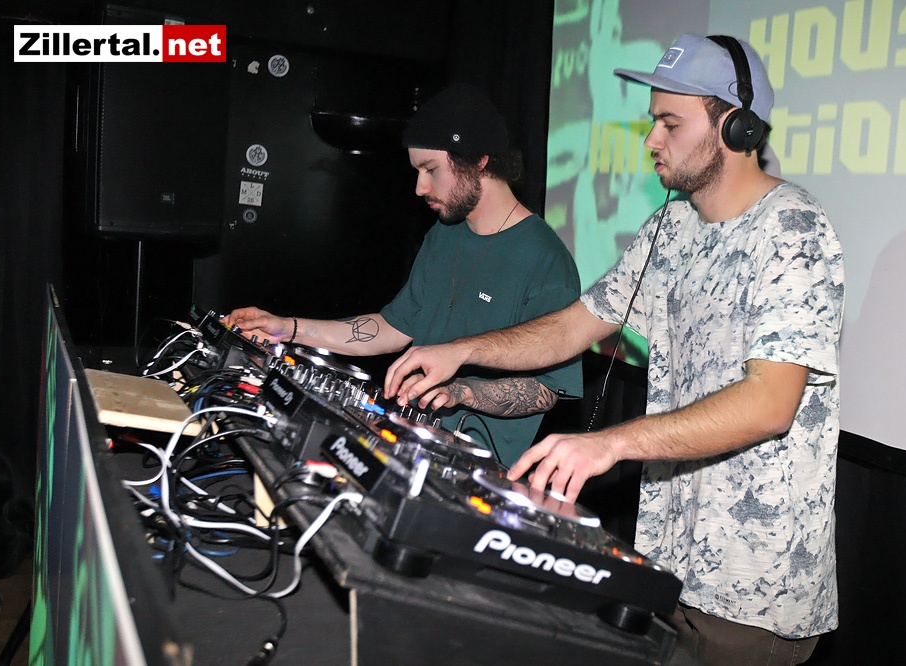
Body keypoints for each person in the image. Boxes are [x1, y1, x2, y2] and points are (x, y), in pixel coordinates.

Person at [384, 34, 844, 666]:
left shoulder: (793, 229)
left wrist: (609, 443)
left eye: (670, 123)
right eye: (654, 121)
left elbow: (770, 403)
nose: (651, 139)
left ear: (735, 128)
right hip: (667, 562)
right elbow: (574, 325)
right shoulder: (671, 227)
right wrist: (460, 351)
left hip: (751, 587)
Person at [223, 82, 582, 467]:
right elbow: (392, 328)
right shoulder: (444, 233)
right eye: (417, 171)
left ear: (479, 160)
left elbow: (546, 391)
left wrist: (463, 392)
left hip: (471, 469)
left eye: (431, 170)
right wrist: (287, 329)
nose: (420, 187)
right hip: (408, 444)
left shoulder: (546, 260)